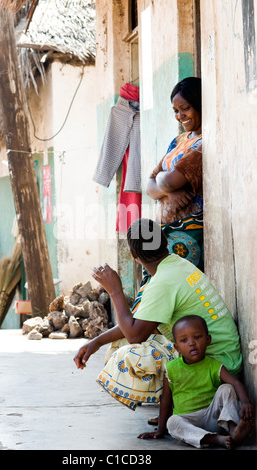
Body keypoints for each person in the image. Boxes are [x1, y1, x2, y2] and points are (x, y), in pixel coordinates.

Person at [74, 218, 242, 410]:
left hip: (218, 365)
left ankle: (188, 403)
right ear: (165, 239)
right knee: (117, 343)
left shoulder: (163, 282)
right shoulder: (177, 264)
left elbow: (135, 335)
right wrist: (96, 342)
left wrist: (115, 291)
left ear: (132, 254)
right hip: (225, 356)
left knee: (128, 356)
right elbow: (136, 324)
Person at [138, 315, 254, 449]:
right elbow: (166, 400)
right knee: (173, 422)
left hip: (214, 418)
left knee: (227, 388)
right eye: (184, 340)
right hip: (188, 421)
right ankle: (214, 439)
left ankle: (234, 430)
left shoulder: (214, 365)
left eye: (197, 337)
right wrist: (160, 429)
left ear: (208, 339)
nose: (191, 343)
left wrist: (246, 402)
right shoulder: (171, 369)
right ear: (177, 347)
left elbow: (236, 383)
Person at [147, 77, 203, 270]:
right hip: (167, 233)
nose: (180, 115)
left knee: (183, 288)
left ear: (199, 104)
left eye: (185, 108)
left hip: (189, 231)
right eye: (176, 111)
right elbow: (148, 185)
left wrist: (163, 183)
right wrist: (168, 192)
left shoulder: (201, 144)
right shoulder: (179, 141)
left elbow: (168, 180)